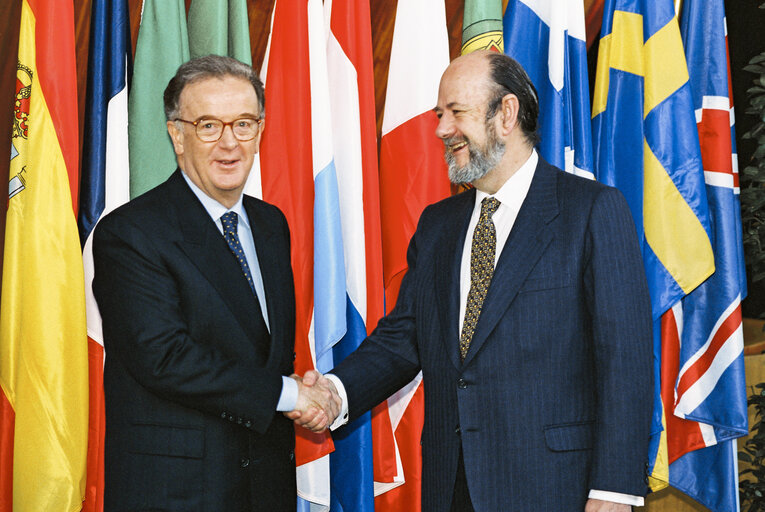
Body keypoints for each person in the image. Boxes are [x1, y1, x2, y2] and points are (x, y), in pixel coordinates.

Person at [292, 51, 653, 511]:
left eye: (455, 113)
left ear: (506, 113)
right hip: (452, 486)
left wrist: (614, 491)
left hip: (556, 488)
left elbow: (625, 361)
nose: (442, 129)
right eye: (439, 115)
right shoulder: (438, 225)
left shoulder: (590, 210)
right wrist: (333, 393)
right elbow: (404, 338)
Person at [93, 55, 337, 511]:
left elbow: (267, 353)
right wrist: (290, 395)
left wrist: (307, 391)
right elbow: (164, 357)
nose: (230, 143)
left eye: (244, 124)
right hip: (178, 492)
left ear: (261, 132)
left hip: (265, 487)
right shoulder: (130, 233)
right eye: (208, 125)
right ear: (177, 135)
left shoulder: (270, 224)